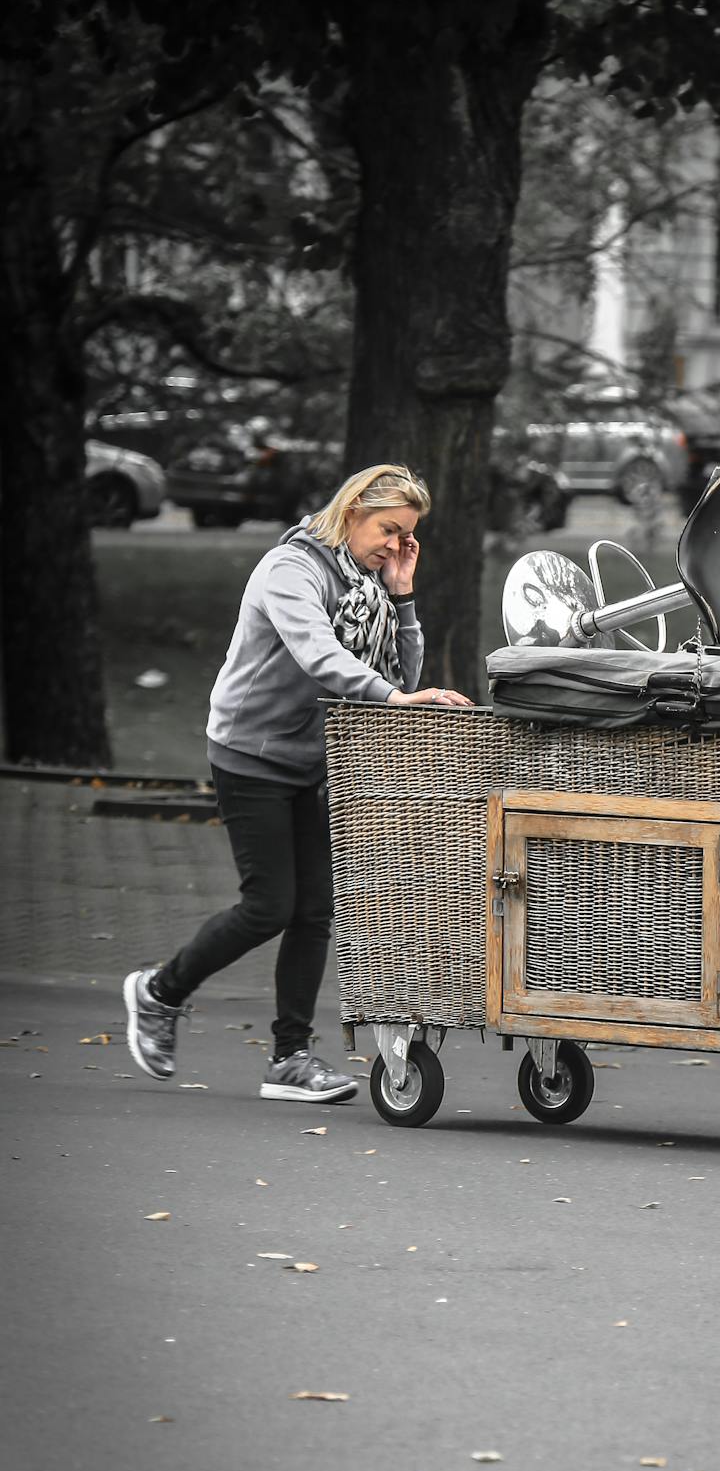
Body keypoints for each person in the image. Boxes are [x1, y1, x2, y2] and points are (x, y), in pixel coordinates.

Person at [123, 462, 472, 1103]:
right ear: (352, 511)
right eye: (388, 530)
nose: (394, 546)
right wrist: (394, 699)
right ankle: (158, 991)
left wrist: (402, 593)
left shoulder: (367, 579)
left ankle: (289, 1059)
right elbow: (319, 655)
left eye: (407, 537)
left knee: (315, 910)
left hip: (313, 759)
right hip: (250, 752)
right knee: (269, 906)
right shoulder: (292, 570)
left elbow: (398, 665)